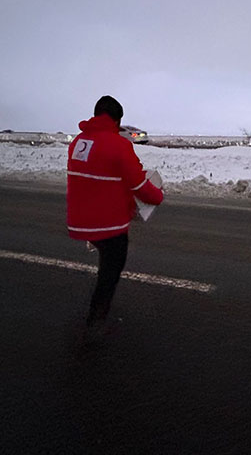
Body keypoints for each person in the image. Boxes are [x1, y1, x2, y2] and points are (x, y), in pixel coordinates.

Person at [66, 95, 164, 342]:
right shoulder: (119, 145)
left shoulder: (78, 142)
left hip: (80, 219)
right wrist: (159, 196)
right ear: (118, 120)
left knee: (105, 264)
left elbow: (100, 174)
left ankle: (97, 312)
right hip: (108, 224)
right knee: (110, 271)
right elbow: (141, 186)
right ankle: (96, 321)